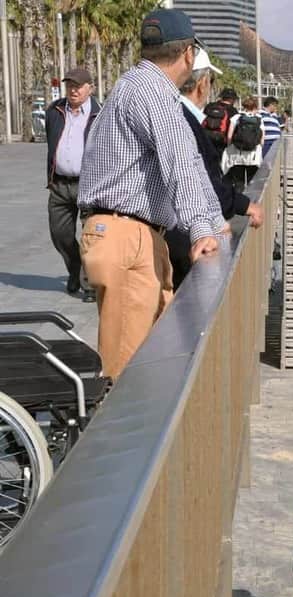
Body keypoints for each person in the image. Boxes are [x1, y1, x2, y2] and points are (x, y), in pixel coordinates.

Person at [77, 8, 224, 381]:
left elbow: (188, 162)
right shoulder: (152, 93)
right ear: (189, 53)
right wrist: (202, 229)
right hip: (127, 234)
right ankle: (115, 439)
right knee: (129, 373)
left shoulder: (140, 87)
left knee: (153, 358)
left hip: (135, 233)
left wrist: (214, 220)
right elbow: (180, 163)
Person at [174, 47, 264, 289]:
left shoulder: (179, 114)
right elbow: (201, 179)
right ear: (202, 83)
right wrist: (242, 206)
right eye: (210, 80)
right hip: (180, 233)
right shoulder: (183, 119)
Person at [45, 67, 101, 303]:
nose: (73, 90)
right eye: (70, 85)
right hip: (59, 184)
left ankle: (89, 284)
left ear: (90, 88)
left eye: (78, 85)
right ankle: (75, 268)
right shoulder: (55, 110)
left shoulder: (101, 114)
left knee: (90, 237)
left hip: (88, 184)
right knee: (60, 234)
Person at [222, 95, 265, 191]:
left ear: (244, 106)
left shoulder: (236, 117)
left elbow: (229, 136)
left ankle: (239, 203)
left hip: (238, 154)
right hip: (253, 156)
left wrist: (230, 147)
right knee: (252, 182)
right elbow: (262, 140)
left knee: (238, 183)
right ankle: (251, 203)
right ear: (255, 107)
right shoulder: (259, 119)